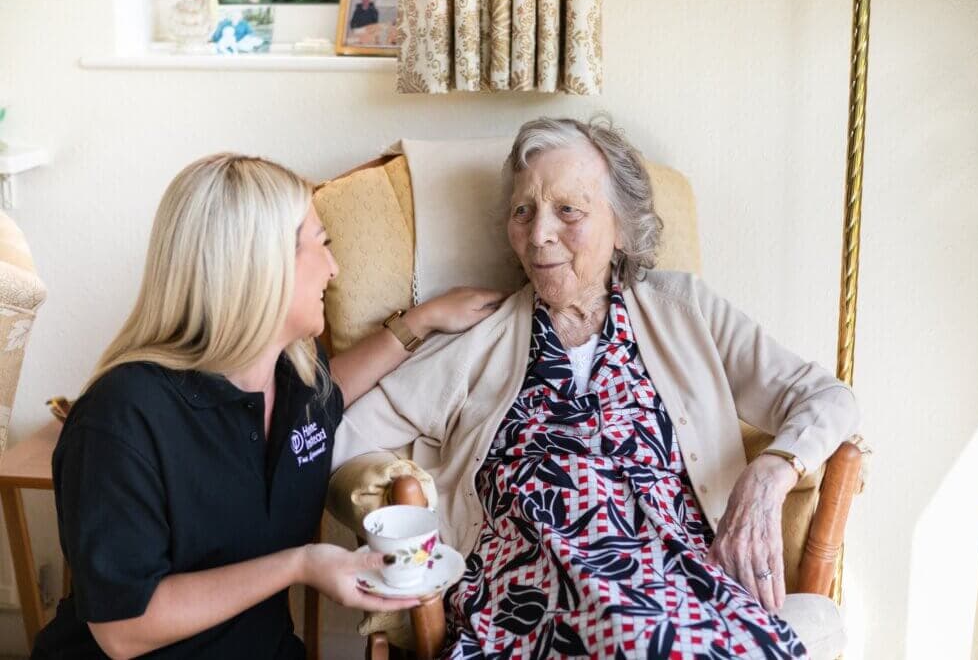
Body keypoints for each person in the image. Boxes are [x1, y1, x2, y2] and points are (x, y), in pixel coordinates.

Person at [332, 117, 861, 658]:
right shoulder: (479, 337)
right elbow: (342, 431)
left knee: (656, 631)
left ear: (622, 227)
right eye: (523, 211)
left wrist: (772, 472)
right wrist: (417, 325)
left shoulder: (684, 311)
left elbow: (828, 398)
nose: (538, 234)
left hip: (673, 573)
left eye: (568, 211)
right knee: (633, 633)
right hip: (529, 580)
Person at [31, 153, 504, 659]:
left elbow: (338, 388)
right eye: (322, 245)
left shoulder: (296, 383)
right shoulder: (121, 418)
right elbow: (123, 629)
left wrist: (424, 320)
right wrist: (300, 565)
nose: (334, 268)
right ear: (261, 266)